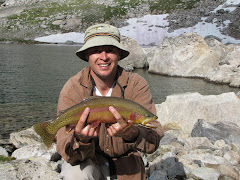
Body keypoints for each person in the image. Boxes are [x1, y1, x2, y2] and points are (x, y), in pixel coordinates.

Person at [56, 23, 164, 180]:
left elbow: (154, 139)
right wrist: (82, 140)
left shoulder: (136, 84)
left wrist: (133, 133)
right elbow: (66, 151)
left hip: (127, 165)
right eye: (96, 51)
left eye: (110, 50)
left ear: (119, 54)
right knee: (75, 175)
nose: (104, 57)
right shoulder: (73, 88)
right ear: (87, 55)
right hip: (88, 161)